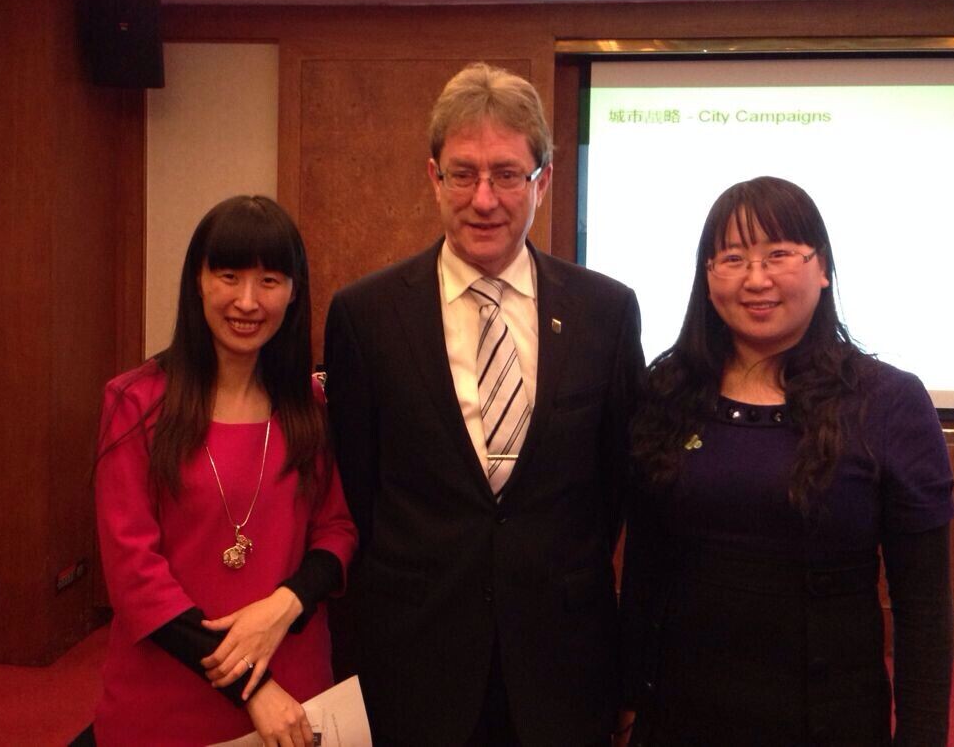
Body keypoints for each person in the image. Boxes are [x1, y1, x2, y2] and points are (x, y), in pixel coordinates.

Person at [323, 62, 644, 746]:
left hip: (563, 660)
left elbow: (614, 488)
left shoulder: (606, 313)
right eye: (463, 174)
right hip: (417, 659)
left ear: (543, 181)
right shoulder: (366, 316)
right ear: (433, 177)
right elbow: (362, 487)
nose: (484, 199)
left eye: (506, 174)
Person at [618, 176, 954, 746]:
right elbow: (644, 570)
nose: (756, 279)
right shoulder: (668, 391)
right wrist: (626, 702)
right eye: (732, 258)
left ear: (822, 268)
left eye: (778, 254)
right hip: (680, 714)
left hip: (830, 720)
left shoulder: (888, 401)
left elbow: (923, 606)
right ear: (707, 276)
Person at [92, 195, 357, 747]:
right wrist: (251, 688)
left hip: (297, 689)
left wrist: (284, 605)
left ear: (294, 291)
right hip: (169, 697)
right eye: (229, 276)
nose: (247, 301)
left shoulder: (309, 406)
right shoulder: (135, 402)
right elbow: (135, 578)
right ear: (198, 280)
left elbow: (336, 531)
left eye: (269, 281)